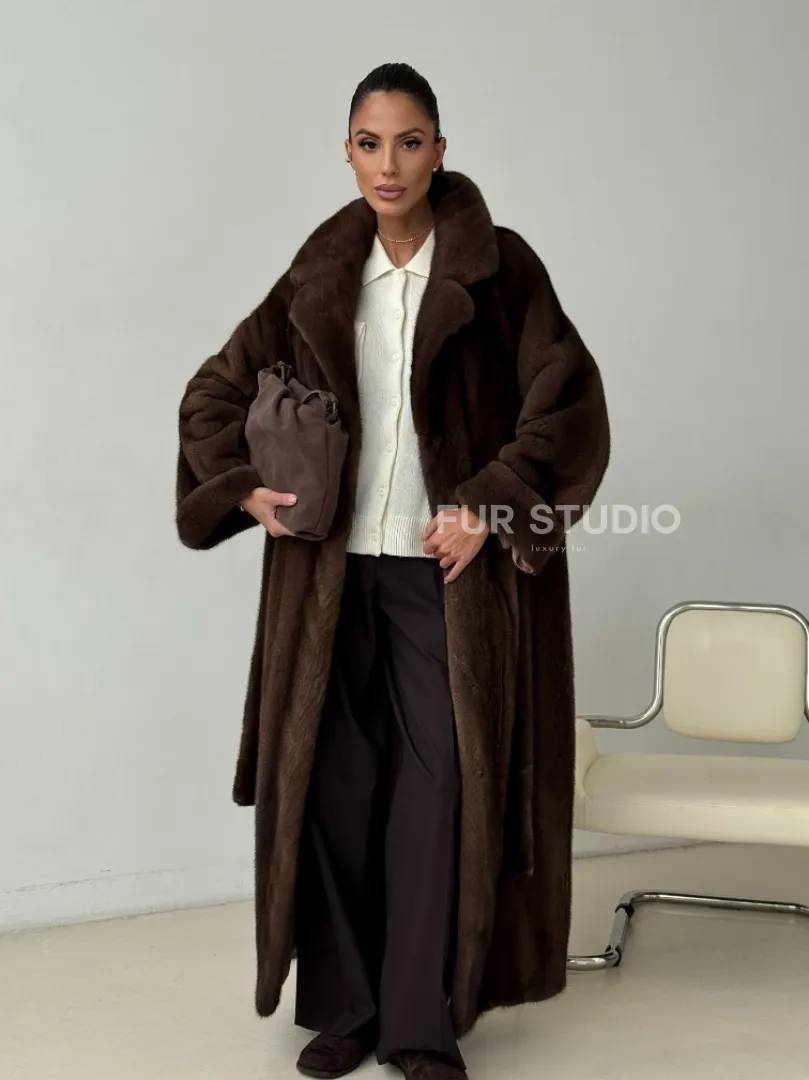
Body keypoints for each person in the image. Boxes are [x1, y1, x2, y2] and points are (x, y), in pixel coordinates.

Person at [175, 62, 610, 1080]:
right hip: (327, 581)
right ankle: (346, 1010)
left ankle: (419, 1022)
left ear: (439, 150)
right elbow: (213, 394)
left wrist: (487, 503)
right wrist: (243, 489)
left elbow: (569, 404)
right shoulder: (318, 278)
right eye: (369, 143)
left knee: (437, 788)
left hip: (441, 581)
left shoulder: (499, 270)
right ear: (346, 151)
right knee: (330, 786)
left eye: (409, 142)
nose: (389, 164)